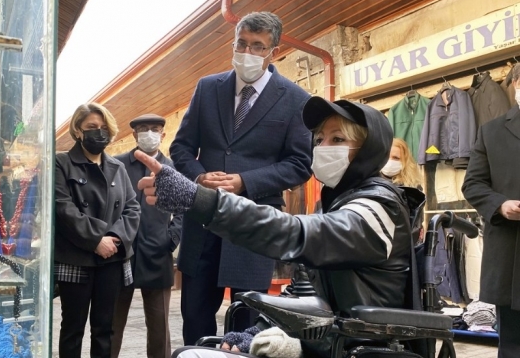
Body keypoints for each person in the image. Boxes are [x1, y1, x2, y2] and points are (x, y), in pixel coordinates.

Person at [139, 96, 414, 358]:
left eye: (338, 139)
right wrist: (259, 330)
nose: (323, 147)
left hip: (356, 346)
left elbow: (294, 233)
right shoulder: (334, 204)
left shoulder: (380, 206)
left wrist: (201, 200)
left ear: (368, 149)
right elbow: (303, 289)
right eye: (319, 139)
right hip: (327, 342)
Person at [169, 11, 312, 345]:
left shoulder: (296, 99)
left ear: (273, 52)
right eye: (241, 44)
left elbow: (299, 164)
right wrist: (200, 177)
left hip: (253, 227)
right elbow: (181, 147)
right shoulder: (208, 88)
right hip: (202, 220)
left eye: (257, 46)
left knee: (247, 325)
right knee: (195, 319)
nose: (247, 52)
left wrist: (244, 181)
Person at [54, 102, 141, 358]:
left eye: (104, 128)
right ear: (78, 130)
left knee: (105, 329)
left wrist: (113, 238)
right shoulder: (61, 163)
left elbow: (133, 208)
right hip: (76, 257)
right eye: (92, 126)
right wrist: (96, 240)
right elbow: (63, 208)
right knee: (72, 329)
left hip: (111, 259)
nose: (99, 132)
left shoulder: (117, 167)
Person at [111, 113, 183, 358]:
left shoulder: (172, 168)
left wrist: (171, 238)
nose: (149, 133)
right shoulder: (117, 165)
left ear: (163, 135)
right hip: (121, 252)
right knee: (111, 324)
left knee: (159, 325)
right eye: (143, 128)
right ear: (134, 134)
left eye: (154, 129)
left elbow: (183, 210)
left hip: (157, 252)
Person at [462, 64, 520, 358]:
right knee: (513, 344)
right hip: (512, 256)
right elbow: (473, 184)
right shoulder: (492, 132)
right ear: (516, 83)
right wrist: (500, 204)